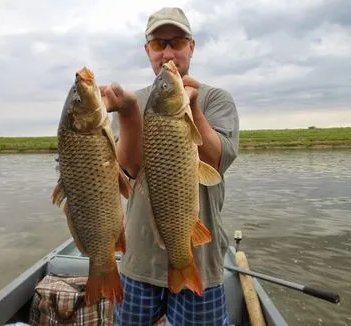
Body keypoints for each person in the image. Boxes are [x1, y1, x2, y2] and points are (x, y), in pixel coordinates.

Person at [101, 7, 239, 326]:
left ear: (192, 46)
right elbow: (130, 170)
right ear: (147, 50)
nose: (167, 53)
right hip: (139, 260)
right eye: (158, 44)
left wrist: (192, 109)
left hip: (199, 259)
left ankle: (183, 268)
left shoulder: (217, 99)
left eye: (176, 42)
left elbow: (216, 162)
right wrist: (128, 112)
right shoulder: (129, 103)